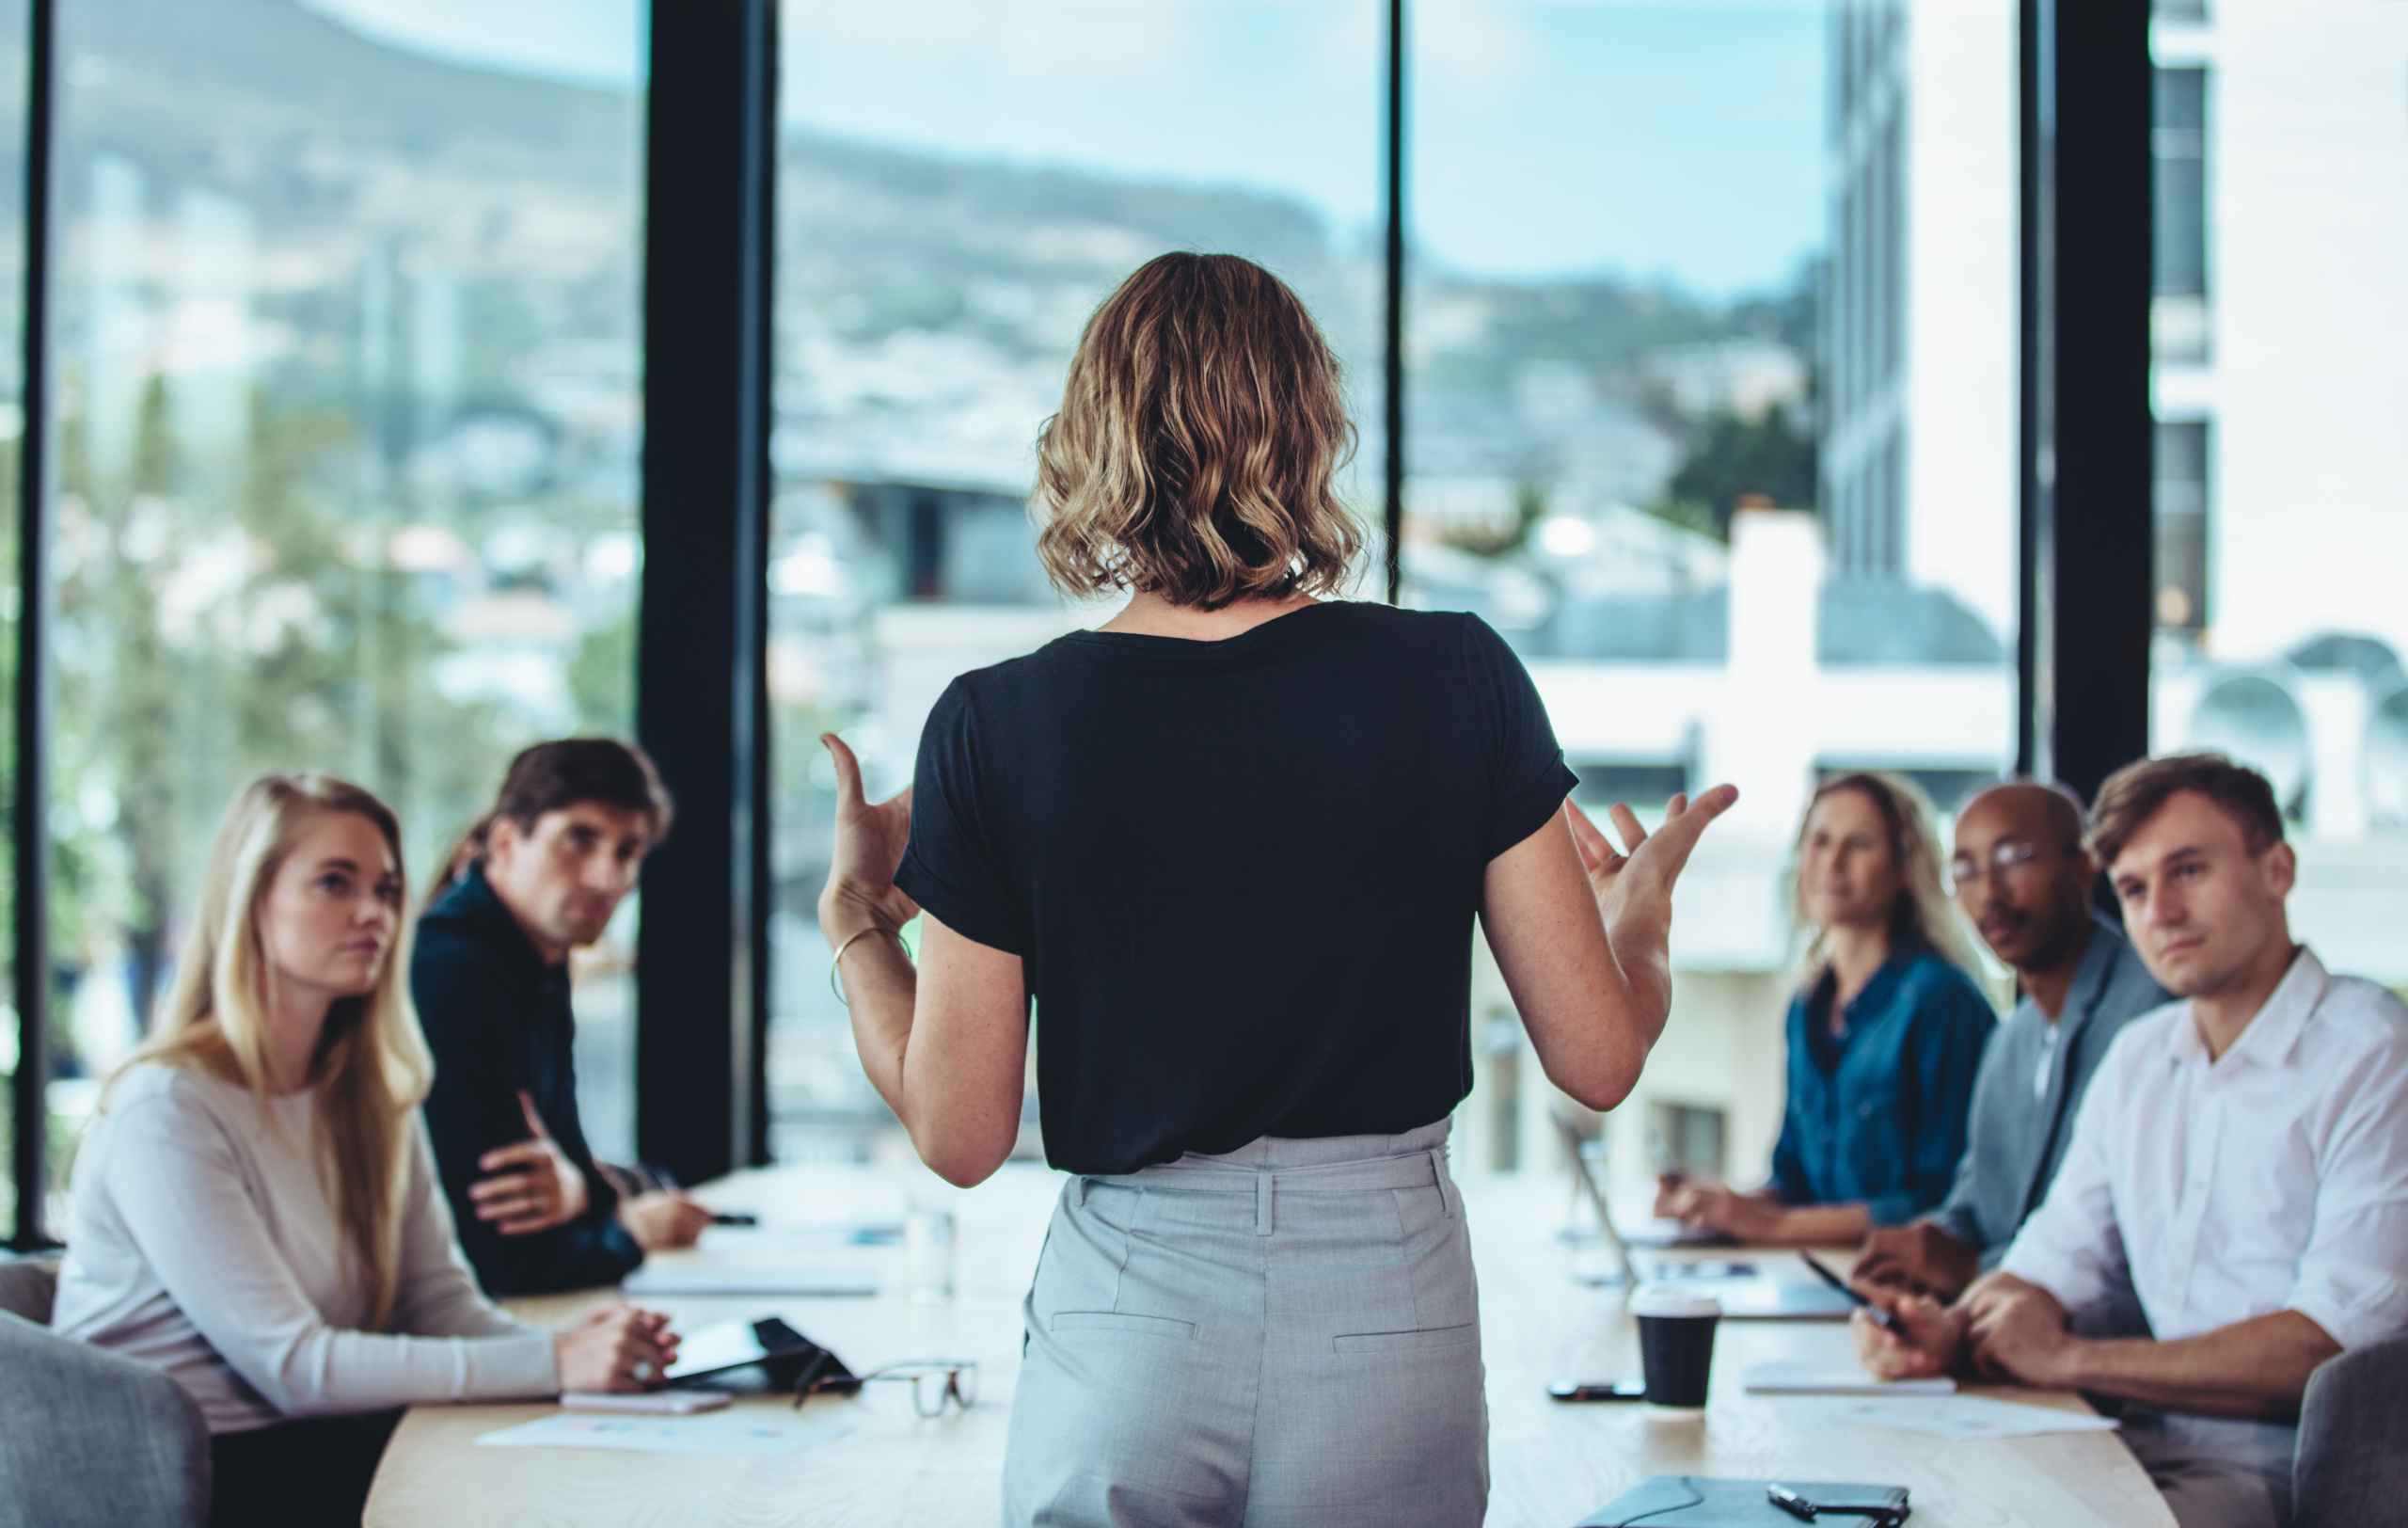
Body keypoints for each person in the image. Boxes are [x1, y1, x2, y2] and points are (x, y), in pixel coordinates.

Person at [817, 252, 1734, 1528]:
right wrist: (1639, 916)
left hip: (1127, 1316)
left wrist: (859, 922)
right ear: (1307, 431)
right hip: (1385, 1302)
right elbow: (1597, 1058)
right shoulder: (1456, 675)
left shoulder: (995, 723)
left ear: (1092, 439)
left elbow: (960, 1134)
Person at [49, 773, 675, 1528]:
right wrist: (552, 1363)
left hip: (329, 1442)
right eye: (333, 884)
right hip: (198, 1481)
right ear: (250, 900)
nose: (372, 913)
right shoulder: (168, 1106)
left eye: (385, 888)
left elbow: (439, 1303)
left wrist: (580, 1349)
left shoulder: (372, 1094)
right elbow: (295, 1367)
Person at [1855, 754, 2408, 1528]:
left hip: (2286, 1470)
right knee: (1893, 1495)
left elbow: (2331, 1346)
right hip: (2123, 1437)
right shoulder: (2142, 1057)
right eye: (2136, 888)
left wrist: (2071, 1359)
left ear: (2277, 869)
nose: (2161, 912)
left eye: (2188, 871)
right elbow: (2052, 1260)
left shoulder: (2373, 1052)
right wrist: (1951, 1329)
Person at [1850, 781, 2168, 1300]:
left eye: (2013, 857)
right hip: (1997, 1332)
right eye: (1966, 871)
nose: (1989, 893)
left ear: (2085, 865)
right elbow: (1971, 1206)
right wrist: (1929, 1243)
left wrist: (1972, 1268)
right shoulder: (2010, 1039)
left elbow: (2131, 1246)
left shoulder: (2154, 1011)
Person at [418, 739, 712, 1297]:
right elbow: (501, 1254)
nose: (606, 878)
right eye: (579, 840)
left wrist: (583, 1191)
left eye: (627, 852)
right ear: (505, 841)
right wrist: (631, 1229)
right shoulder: (454, 971)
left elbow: (571, 1166)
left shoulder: (537, 963)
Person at [1656, 772, 1996, 1246]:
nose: (1832, 863)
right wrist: (1718, 1205)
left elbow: (1944, 1201)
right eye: (1819, 841)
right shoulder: (1806, 1006)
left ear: (1905, 868)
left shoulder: (1943, 999)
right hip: (1816, 1274)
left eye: (1858, 844)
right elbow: (1792, 1182)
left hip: (1901, 1289)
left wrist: (1774, 1228)